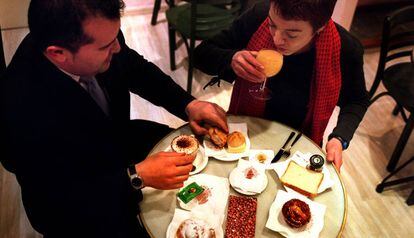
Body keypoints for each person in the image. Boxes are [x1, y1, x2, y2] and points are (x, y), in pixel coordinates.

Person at [0, 0, 228, 237]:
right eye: (106, 46)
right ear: (58, 54)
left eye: (116, 36)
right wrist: (135, 177)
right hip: (82, 197)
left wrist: (188, 104)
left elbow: (132, 67)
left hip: (116, 139)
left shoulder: (101, 37)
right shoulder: (18, 111)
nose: (117, 48)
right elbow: (53, 206)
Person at [194, 0, 369, 171]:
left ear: (320, 27)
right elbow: (200, 55)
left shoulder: (345, 49)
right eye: (272, 25)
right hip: (246, 130)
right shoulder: (258, 17)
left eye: (291, 34)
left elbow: (356, 100)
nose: (277, 39)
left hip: (298, 140)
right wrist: (230, 58)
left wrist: (340, 138)